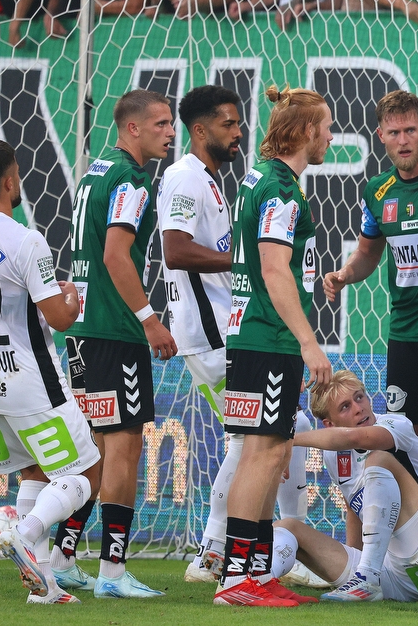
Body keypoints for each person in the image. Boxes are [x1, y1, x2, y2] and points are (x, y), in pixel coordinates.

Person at [155, 85, 317, 587]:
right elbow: (176, 251)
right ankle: (224, 559)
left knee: (263, 443)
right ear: (199, 129)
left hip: (236, 329)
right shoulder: (188, 178)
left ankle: (243, 561)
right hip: (222, 334)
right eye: (227, 123)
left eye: (239, 123)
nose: (237, 131)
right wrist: (251, 258)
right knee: (259, 446)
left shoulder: (235, 180)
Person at [212, 84, 333, 607]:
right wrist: (309, 341)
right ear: (307, 131)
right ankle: (237, 580)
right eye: (326, 127)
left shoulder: (259, 179)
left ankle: (254, 574)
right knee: (261, 454)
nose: (330, 136)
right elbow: (273, 266)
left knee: (268, 450)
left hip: (251, 332)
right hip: (269, 336)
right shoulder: (281, 187)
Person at [54, 89, 177, 599]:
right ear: (132, 128)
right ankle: (112, 572)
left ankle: (62, 557)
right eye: (161, 123)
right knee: (122, 449)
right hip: (114, 330)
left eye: (171, 123)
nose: (170, 132)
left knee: (95, 453)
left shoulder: (95, 172)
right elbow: (116, 256)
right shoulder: (131, 179)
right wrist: (149, 319)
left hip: (83, 330)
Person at [324, 90, 418, 471]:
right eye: (393, 133)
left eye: (409, 130)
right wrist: (345, 275)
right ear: (380, 135)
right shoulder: (376, 191)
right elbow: (369, 253)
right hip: (403, 332)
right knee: (404, 436)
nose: (402, 141)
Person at [0, 141, 102, 605]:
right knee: (86, 471)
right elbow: (59, 319)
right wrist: (71, 299)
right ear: (8, 179)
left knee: (35, 471)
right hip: (30, 380)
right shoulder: (24, 240)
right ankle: (26, 529)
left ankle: (45, 587)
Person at [270, 370, 418, 601]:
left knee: (378, 460)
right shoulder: (334, 457)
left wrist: (288, 442)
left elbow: (354, 438)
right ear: (329, 423)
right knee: (287, 527)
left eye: (359, 397)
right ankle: (262, 580)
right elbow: (354, 508)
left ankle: (366, 578)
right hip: (388, 576)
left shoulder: (396, 425)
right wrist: (353, 561)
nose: (358, 408)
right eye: (345, 407)